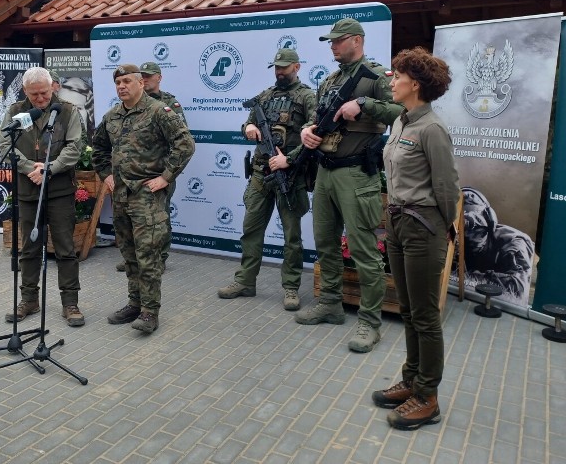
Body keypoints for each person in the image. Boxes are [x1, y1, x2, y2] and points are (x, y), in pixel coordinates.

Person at [294, 17, 401, 353]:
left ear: (357, 40)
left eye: (338, 41)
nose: (333, 46)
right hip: (325, 172)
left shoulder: (376, 77)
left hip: (357, 174)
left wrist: (365, 104)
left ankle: (370, 322)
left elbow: (403, 112)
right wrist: (307, 132)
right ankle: (330, 304)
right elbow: (318, 120)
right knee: (325, 243)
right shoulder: (329, 81)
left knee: (364, 250)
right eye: (331, 41)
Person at [372, 47, 460, 430]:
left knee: (425, 316)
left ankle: (428, 397)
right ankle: (411, 381)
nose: (392, 81)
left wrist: (444, 232)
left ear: (416, 84)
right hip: (396, 223)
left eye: (397, 75)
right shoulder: (401, 123)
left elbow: (447, 188)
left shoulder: (432, 128)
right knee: (407, 310)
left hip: (424, 227)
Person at [92, 64, 195, 334]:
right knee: (129, 254)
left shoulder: (159, 111)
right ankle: (134, 303)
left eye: (127, 81)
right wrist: (106, 175)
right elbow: (99, 147)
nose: (122, 86)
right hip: (122, 196)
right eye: (118, 83)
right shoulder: (113, 116)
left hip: (147, 195)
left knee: (148, 254)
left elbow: (185, 143)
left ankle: (150, 312)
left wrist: (166, 177)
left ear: (140, 83)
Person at [217, 48, 316, 310]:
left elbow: (315, 135)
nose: (280, 71)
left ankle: (291, 287)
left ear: (297, 67)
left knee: (292, 236)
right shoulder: (264, 97)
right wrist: (247, 128)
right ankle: (246, 281)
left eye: (284, 67)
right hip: (261, 174)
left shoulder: (307, 97)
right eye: (276, 67)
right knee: (251, 231)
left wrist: (289, 159)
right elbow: (247, 124)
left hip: (289, 176)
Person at [0, 66, 85, 327]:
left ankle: (70, 303)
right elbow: (4, 143)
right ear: (25, 91)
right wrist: (28, 168)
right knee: (29, 248)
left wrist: (49, 168)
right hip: (27, 190)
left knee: (66, 249)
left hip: (59, 190)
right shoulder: (15, 111)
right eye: (34, 94)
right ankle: (29, 300)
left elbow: (75, 147)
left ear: (53, 87)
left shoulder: (67, 111)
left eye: (44, 93)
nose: (40, 99)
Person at [115, 61, 186, 273]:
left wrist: (166, 175)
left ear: (159, 78)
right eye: (143, 76)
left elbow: (182, 141)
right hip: (135, 176)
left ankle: (159, 257)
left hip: (158, 172)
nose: (145, 79)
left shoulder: (168, 105)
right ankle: (136, 258)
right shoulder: (129, 105)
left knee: (159, 217)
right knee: (134, 219)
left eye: (149, 76)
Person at [459, 186, 534, 307]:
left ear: (490, 222)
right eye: (464, 231)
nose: (470, 237)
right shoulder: (456, 241)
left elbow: (518, 289)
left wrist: (467, 276)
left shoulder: (514, 241)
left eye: (478, 231)